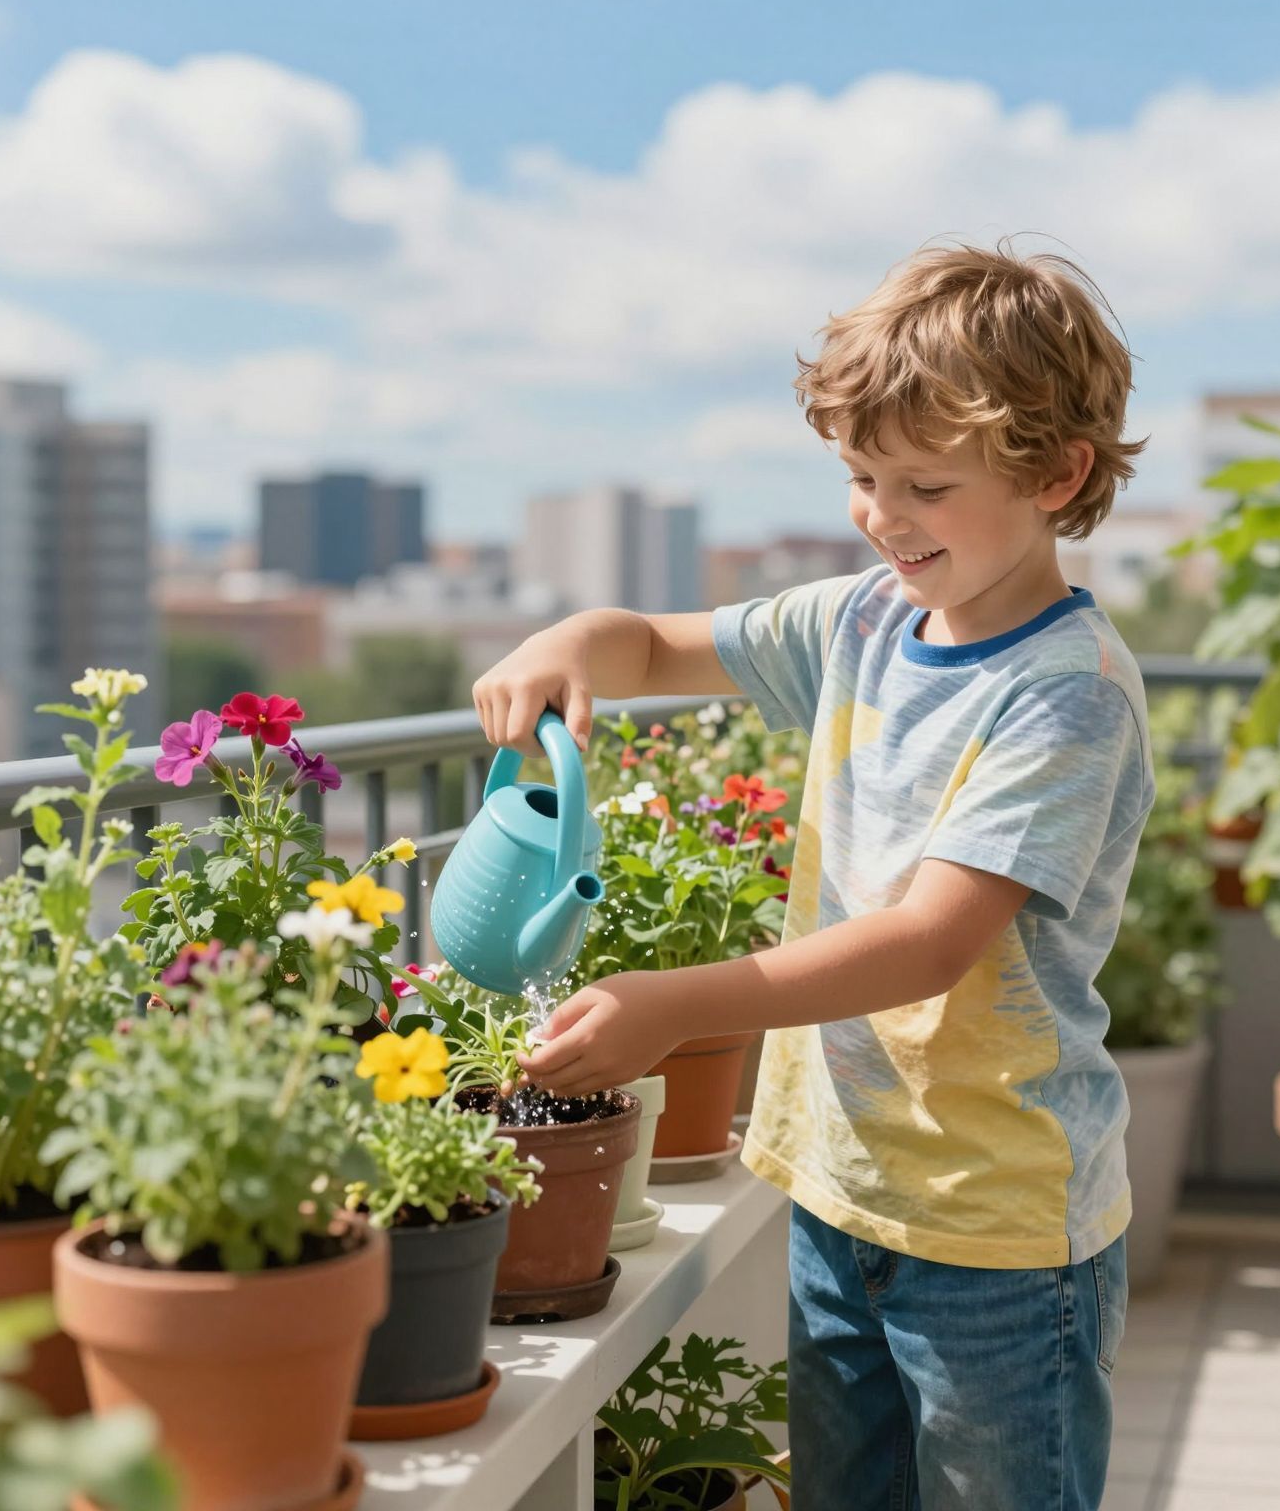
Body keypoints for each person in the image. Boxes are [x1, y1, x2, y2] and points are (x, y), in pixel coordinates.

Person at [472, 240, 1154, 1510]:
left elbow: (927, 943)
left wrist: (676, 1001)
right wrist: (566, 641)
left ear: (1057, 476)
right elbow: (656, 649)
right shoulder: (864, 619)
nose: (882, 517)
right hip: (845, 1193)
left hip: (997, 1234)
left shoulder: (1066, 697)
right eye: (858, 476)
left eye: (924, 486)